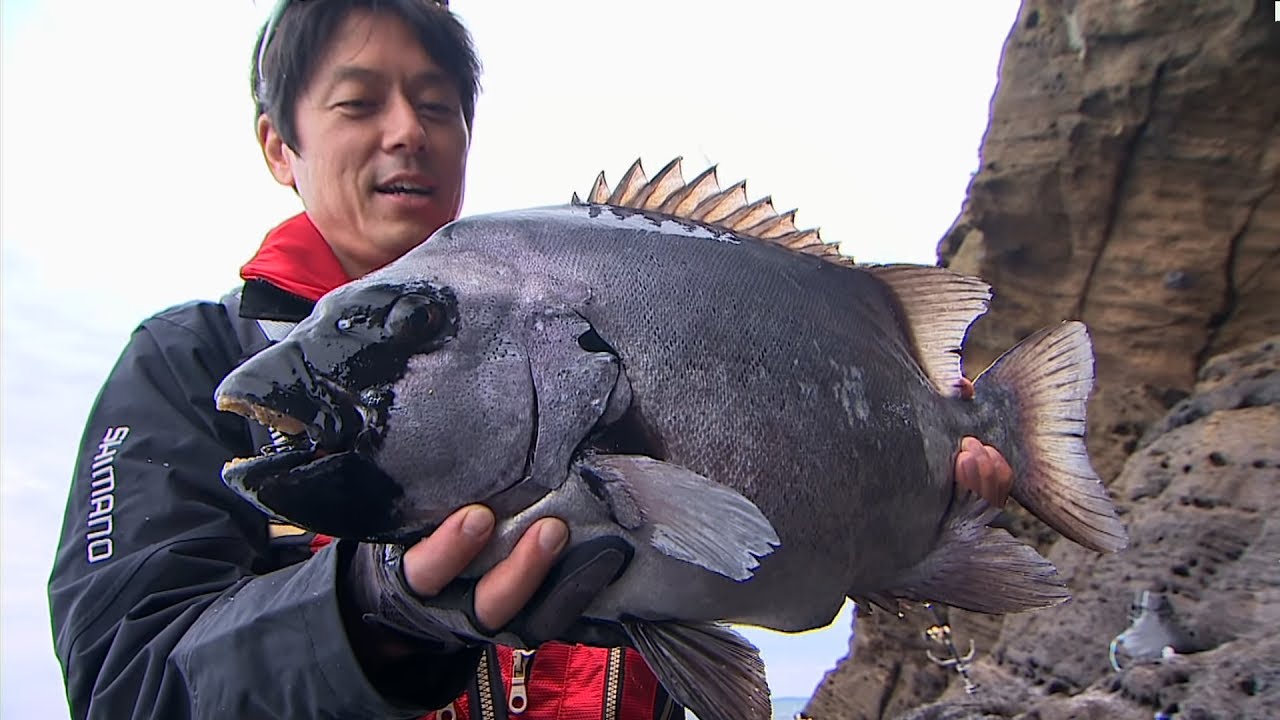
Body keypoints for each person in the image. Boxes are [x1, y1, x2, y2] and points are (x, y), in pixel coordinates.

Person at [47, 1, 1014, 718]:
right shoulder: (190, 364)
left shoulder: (555, 307)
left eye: (437, 104)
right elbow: (129, 685)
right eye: (356, 102)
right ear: (278, 144)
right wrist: (368, 609)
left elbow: (740, 574)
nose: (405, 131)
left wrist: (926, 498)